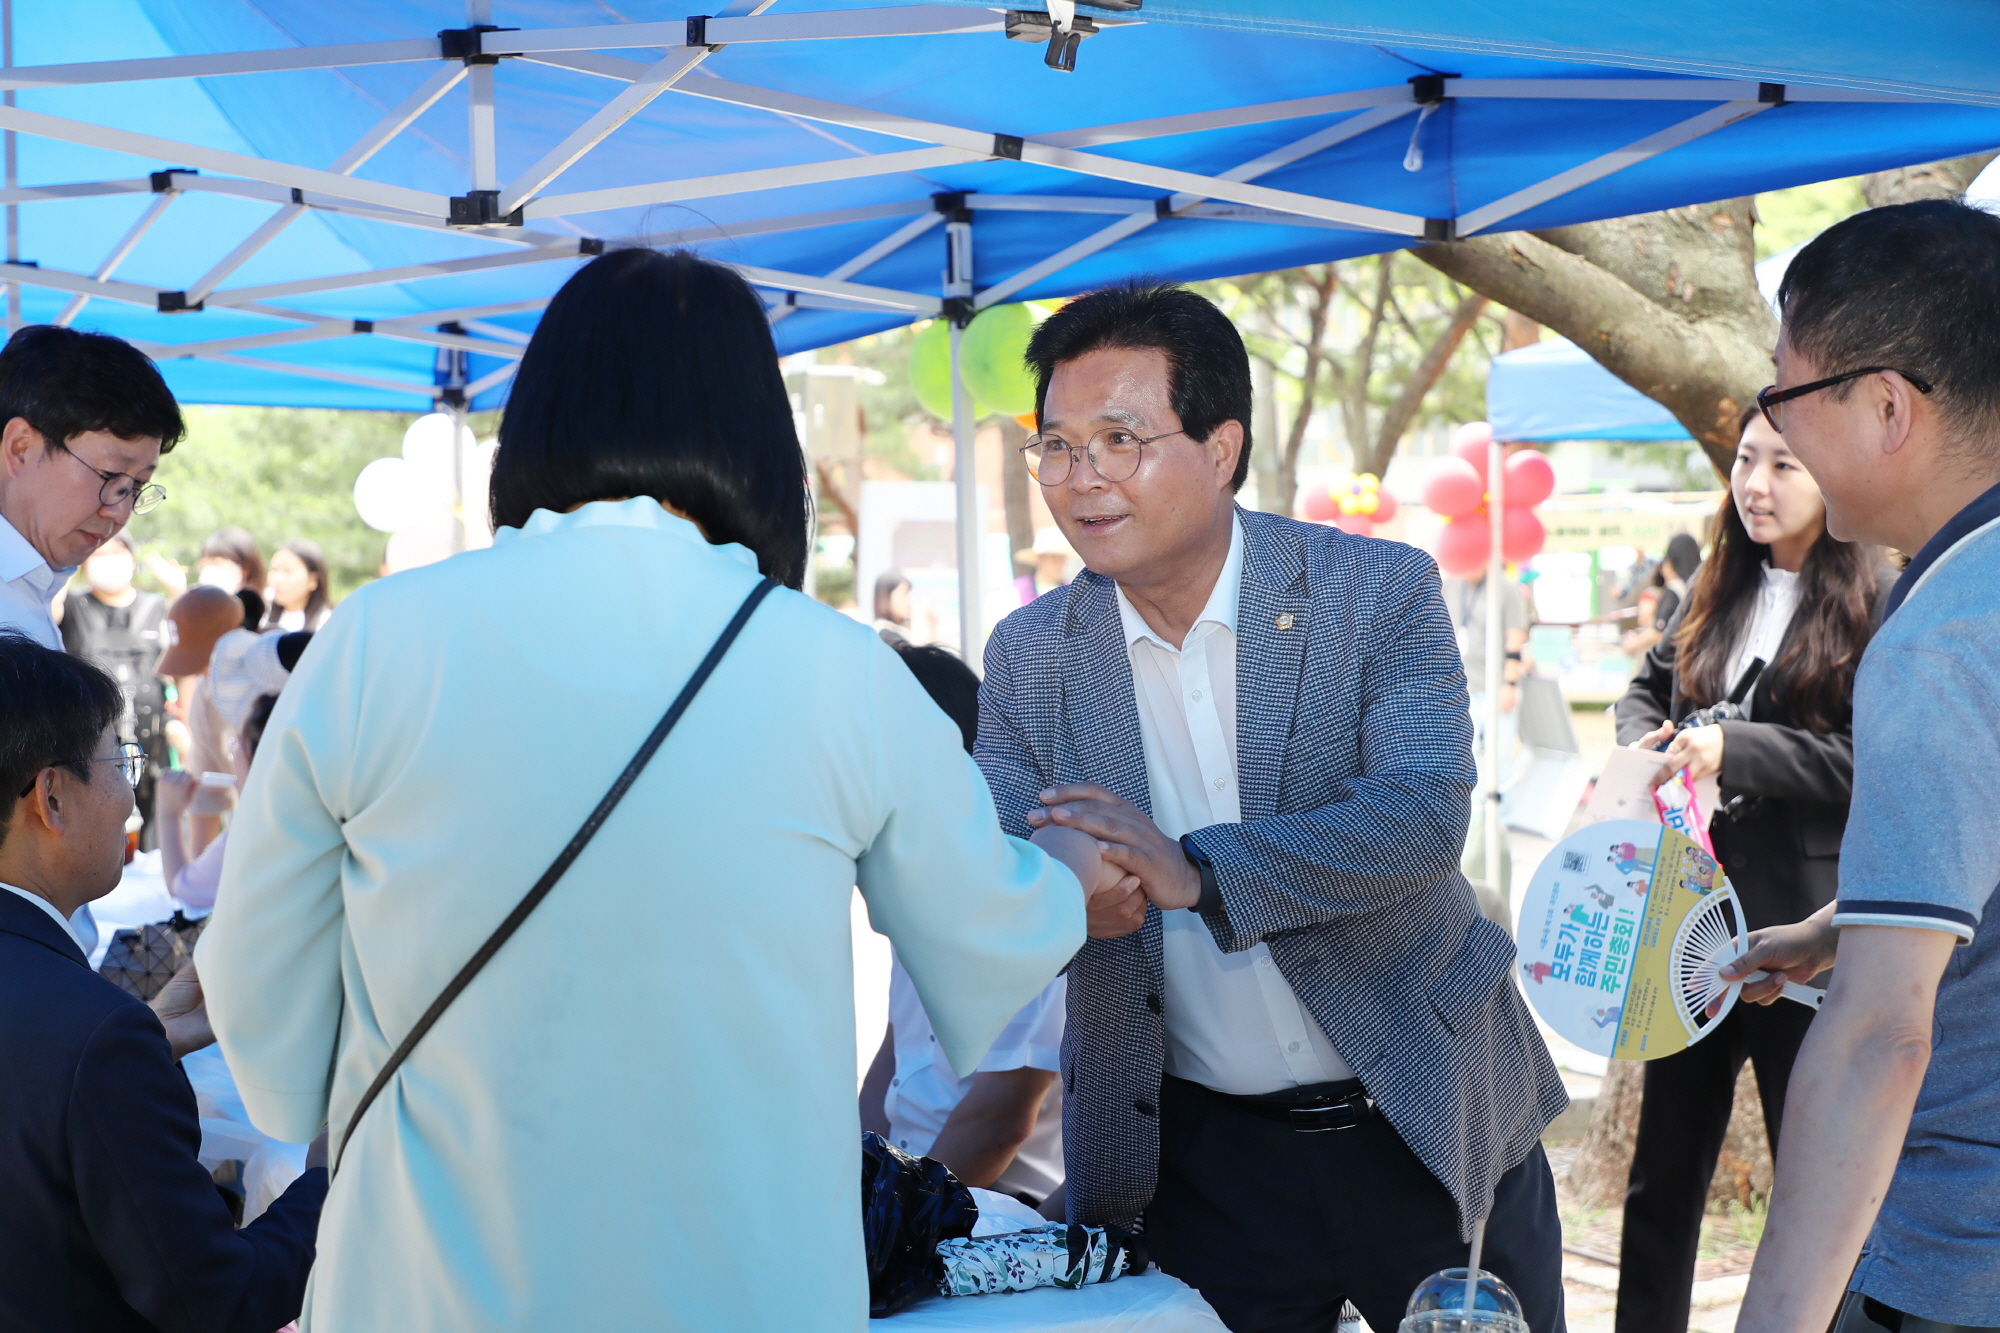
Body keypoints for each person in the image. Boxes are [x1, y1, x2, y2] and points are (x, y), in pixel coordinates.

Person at [197, 248, 1114, 1332]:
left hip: (433, 1272)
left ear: (538, 416)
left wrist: (334, 1101)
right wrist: (1076, 882)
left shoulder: (375, 641)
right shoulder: (838, 667)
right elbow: (983, 926)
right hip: (738, 1276)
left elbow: (253, 971)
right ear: (755, 433)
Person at [978, 282, 1568, 1333]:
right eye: (1057, 448)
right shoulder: (1030, 658)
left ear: (1219, 447)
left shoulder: (1371, 591)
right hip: (1200, 1157)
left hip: (1423, 1114)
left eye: (1120, 438)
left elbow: (1419, 816)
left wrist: (1194, 869)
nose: (1081, 479)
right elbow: (996, 859)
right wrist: (1059, 898)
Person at [1724, 200, 2000, 1333]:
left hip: (1959, 1252)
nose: (1773, 436)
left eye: (1783, 396)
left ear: (1886, 404)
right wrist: (1845, 922)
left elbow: (1882, 1033)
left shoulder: (1938, 635)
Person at [1611, 406, 1883, 1333]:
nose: (1757, 485)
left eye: (1786, 466)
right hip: (1684, 918)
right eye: (1745, 461)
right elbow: (1646, 686)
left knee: (1808, 1175)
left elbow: (1860, 762)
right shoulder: (1714, 584)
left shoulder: (1878, 594)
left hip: (1798, 933)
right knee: (1662, 1173)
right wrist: (1643, 746)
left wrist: (1737, 748)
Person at [0, 631, 326, 1333]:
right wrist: (337, 1173)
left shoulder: (99, 1031)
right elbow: (216, 1299)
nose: (130, 796)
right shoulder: (93, 1034)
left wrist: (148, 1036)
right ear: (51, 797)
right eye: (119, 761)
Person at [860, 642, 1067, 1210]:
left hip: (995, 1210)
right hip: (915, 1193)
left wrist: (897, 1219)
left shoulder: (1020, 889)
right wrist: (859, 1174)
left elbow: (1002, 1116)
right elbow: (895, 1057)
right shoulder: (913, 880)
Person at [0, 324, 183, 651]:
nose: (120, 511)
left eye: (138, 485)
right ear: (20, 448)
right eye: (109, 475)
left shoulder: (35, 588)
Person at [60, 533, 170, 848]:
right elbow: (48, 616)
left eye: (116, 553)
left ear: (132, 560)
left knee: (151, 829)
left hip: (150, 739)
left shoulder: (156, 605)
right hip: (90, 741)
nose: (108, 562)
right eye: (99, 554)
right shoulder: (72, 604)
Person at [1440, 560, 1532, 899]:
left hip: (1494, 688)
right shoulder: (1451, 583)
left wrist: (1509, 680)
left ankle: (1493, 834)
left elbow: (1515, 637)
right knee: (1463, 761)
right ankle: (1470, 834)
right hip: (1461, 685)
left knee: (1497, 763)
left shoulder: (1505, 589)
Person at [155, 584, 249, 861]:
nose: (206, 673)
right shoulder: (204, 697)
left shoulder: (278, 680)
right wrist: (197, 872)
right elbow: (206, 796)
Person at [1621, 535, 1701, 659]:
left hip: (1674, 662)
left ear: (1671, 562)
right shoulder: (1701, 588)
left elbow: (1660, 633)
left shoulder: (1674, 591)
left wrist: (1633, 644)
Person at [263, 538, 333, 631]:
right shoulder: (263, 615)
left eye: (288, 571)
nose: (277, 579)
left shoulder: (326, 624)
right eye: (274, 570)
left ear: (313, 580)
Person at [873, 568, 912, 644]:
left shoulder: (899, 631)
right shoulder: (885, 635)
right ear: (886, 597)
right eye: (904, 594)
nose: (909, 601)